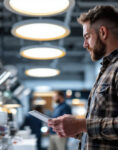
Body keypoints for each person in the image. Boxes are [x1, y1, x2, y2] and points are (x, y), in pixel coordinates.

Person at [48, 5, 118, 150]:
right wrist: (79, 131)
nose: (84, 44)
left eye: (87, 37)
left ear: (103, 32)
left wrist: (82, 124)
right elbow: (105, 133)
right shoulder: (106, 70)